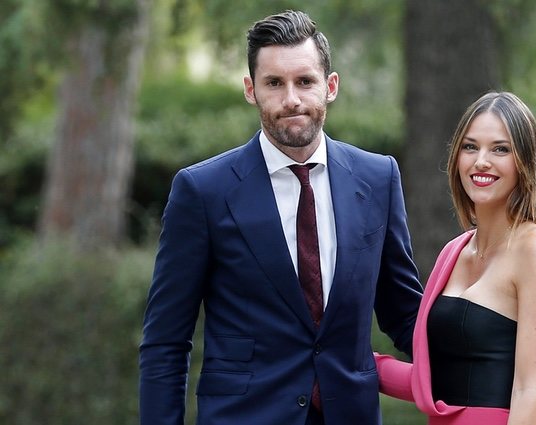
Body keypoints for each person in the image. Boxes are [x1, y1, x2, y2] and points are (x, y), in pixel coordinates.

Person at [139, 10, 423, 425]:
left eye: (305, 81)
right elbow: (165, 341)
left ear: (330, 86)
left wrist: (485, 371)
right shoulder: (203, 191)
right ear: (251, 90)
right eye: (275, 83)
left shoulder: (378, 178)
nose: (291, 99)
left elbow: (404, 314)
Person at [375, 91, 536, 425]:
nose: (481, 160)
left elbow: (529, 392)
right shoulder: (454, 252)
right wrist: (351, 362)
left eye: (500, 149)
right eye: (470, 146)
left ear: (524, 162)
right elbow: (433, 379)